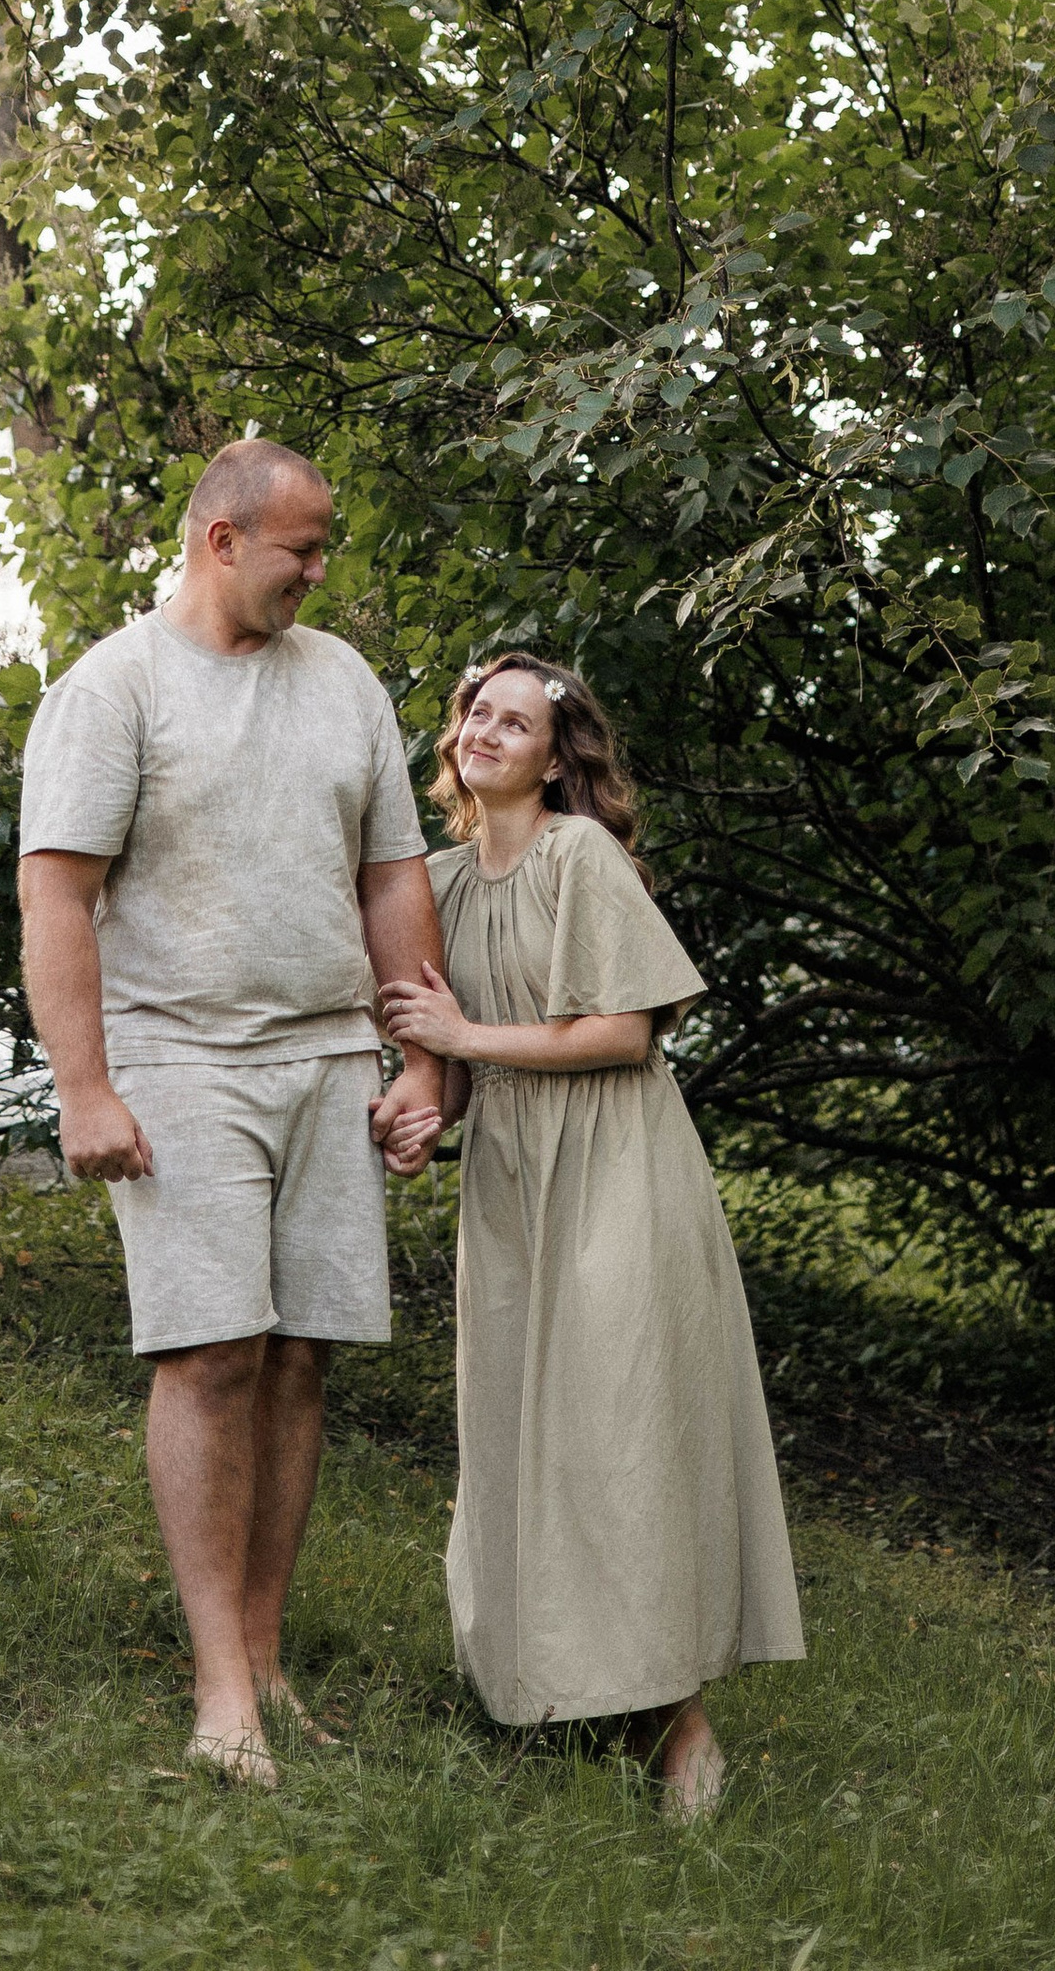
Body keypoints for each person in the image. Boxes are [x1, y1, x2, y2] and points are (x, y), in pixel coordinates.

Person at [17, 438, 447, 1787]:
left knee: (302, 1354)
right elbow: (57, 896)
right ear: (220, 539)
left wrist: (422, 1057)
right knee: (210, 1355)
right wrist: (84, 1088)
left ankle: (264, 1655)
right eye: (301, 550)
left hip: (327, 1060)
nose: (319, 573)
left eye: (323, 550)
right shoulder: (115, 691)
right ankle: (220, 1694)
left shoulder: (344, 684)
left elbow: (391, 877)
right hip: (180, 1062)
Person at [380, 650, 803, 1817]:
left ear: (559, 756)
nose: (487, 733)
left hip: (619, 1174)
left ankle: (678, 1728)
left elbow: (621, 1034)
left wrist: (460, 1043)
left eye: (516, 722)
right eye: (476, 714)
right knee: (525, 1432)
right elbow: (453, 1062)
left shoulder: (584, 859)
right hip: (515, 1185)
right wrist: (418, 1118)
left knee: (620, 1435)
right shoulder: (442, 882)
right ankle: (554, 1690)